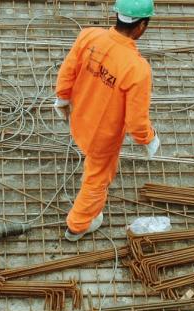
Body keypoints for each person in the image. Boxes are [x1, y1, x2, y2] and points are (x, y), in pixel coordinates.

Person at [53, 0, 159, 242]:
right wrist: (149, 139)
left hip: (79, 119)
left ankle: (80, 220)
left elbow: (68, 70)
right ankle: (77, 226)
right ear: (142, 26)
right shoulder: (137, 69)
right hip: (103, 137)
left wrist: (62, 98)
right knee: (97, 178)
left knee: (91, 164)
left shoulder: (89, 36)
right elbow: (136, 121)